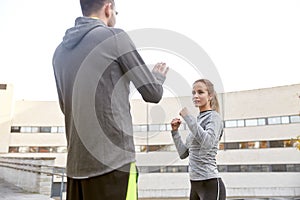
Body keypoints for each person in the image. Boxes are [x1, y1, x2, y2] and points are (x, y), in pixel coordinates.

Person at [52, 0, 169, 199]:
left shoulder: (59, 53)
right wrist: (157, 77)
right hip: (114, 166)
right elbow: (152, 93)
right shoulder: (114, 37)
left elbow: (67, 107)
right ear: (108, 7)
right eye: (116, 10)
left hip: (75, 169)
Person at [170, 79, 226, 200]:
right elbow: (183, 153)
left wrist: (188, 118)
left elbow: (207, 143)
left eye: (200, 92)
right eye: (193, 92)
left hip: (210, 183)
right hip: (194, 184)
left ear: (210, 96)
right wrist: (175, 132)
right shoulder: (198, 120)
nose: (196, 96)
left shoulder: (214, 118)